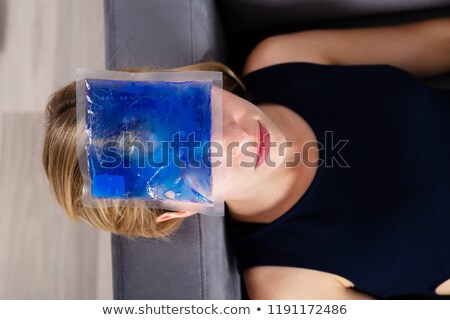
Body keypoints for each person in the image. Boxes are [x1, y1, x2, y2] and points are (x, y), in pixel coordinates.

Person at [42, 17, 450, 299]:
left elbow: (438, 42)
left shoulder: (283, 59)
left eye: (193, 109)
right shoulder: (286, 284)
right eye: (191, 162)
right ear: (175, 210)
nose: (235, 135)